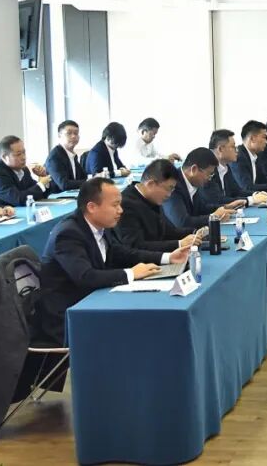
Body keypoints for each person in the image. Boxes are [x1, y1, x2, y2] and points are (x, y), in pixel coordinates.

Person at [30, 177, 190, 345]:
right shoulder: (68, 234)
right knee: (136, 330)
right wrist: (131, 273)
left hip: (93, 301)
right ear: (92, 207)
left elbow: (121, 253)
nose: (120, 210)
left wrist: (167, 257)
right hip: (68, 316)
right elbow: (85, 276)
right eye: (115, 205)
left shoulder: (100, 225)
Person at [116, 158, 202, 252]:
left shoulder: (152, 198)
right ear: (151, 184)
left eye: (172, 190)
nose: (169, 195)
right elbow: (136, 246)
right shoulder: (126, 205)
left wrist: (195, 232)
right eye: (168, 189)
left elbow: (168, 231)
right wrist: (179, 244)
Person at [199, 129, 267, 209]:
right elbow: (217, 200)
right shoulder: (207, 169)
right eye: (233, 147)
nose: (237, 150)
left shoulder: (225, 166)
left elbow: (237, 192)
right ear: (220, 149)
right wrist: (251, 200)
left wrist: (256, 194)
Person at [162, 148, 234, 230]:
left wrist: (226, 207)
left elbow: (202, 208)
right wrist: (214, 217)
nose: (209, 178)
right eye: (209, 174)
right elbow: (182, 223)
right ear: (194, 169)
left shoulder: (193, 182)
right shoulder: (173, 185)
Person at [0, 135, 53, 207]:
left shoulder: (24, 170)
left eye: (24, 152)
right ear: (4, 157)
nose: (24, 157)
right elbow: (19, 200)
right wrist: (41, 184)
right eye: (18, 154)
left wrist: (43, 177)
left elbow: (38, 195)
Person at [233, 120, 267, 194]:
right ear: (252, 139)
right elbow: (247, 187)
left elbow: (263, 178)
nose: (266, 142)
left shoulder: (256, 155)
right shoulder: (239, 158)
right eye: (264, 137)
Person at [45, 120, 88, 192]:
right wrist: (89, 181)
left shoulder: (72, 156)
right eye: (69, 133)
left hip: (72, 194)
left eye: (76, 133)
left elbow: (83, 178)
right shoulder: (55, 157)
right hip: (57, 196)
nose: (73, 136)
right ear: (59, 135)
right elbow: (64, 184)